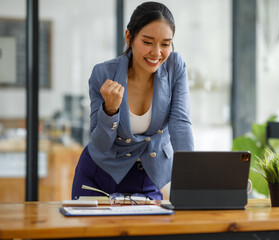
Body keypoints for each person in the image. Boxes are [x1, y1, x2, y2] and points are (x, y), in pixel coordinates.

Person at [72, 1, 194, 201]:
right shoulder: (103, 74)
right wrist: (109, 111)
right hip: (99, 176)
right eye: (147, 42)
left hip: (148, 178)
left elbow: (180, 124)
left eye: (165, 44)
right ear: (129, 37)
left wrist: (191, 177)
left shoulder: (175, 67)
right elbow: (101, 144)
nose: (156, 53)